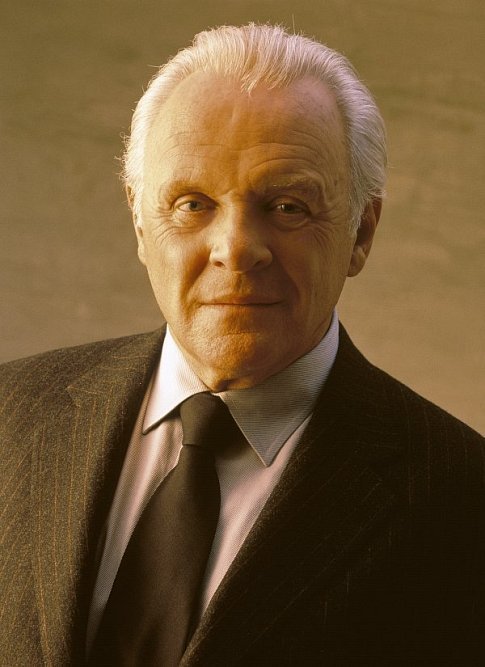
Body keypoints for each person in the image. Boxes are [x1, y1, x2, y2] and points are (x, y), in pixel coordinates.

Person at [1, 23, 484, 666]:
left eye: (286, 207)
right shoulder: (10, 416)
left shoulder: (461, 501)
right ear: (140, 222)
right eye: (193, 203)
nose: (235, 249)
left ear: (361, 233)